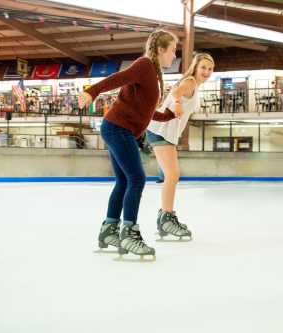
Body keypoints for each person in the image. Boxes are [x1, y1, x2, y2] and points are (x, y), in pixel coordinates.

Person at [78, 29, 179, 259]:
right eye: (172, 51)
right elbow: (118, 79)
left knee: (124, 180)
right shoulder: (144, 65)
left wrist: (170, 115)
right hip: (118, 129)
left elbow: (147, 111)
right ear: (161, 50)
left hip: (119, 129)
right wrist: (91, 92)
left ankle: (109, 230)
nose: (174, 56)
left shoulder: (152, 73)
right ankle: (129, 233)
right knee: (137, 179)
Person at [146, 53, 214, 241]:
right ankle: (166, 219)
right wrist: (176, 103)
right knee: (172, 175)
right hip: (161, 130)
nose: (206, 72)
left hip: (167, 133)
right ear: (196, 67)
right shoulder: (190, 81)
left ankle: (165, 217)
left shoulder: (195, 86)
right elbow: (176, 93)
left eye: (210, 69)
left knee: (172, 175)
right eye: (203, 67)